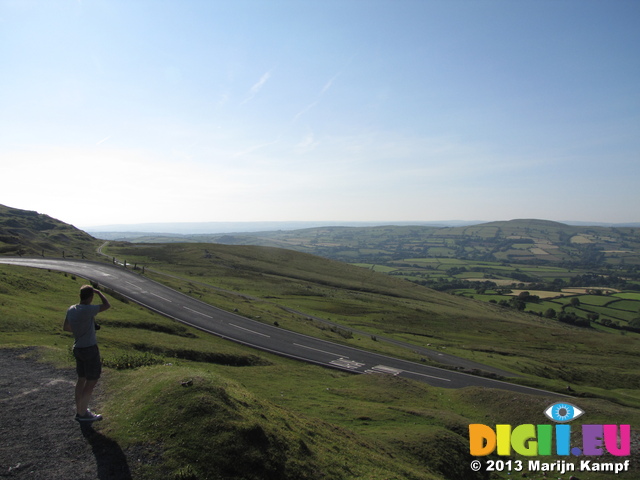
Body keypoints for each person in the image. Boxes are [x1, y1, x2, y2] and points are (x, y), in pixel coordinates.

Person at [63, 284, 111, 422]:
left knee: (81, 379)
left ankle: (80, 409)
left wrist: (79, 329)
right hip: (89, 347)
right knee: (91, 381)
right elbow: (107, 305)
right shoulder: (88, 309)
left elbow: (66, 327)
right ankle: (83, 413)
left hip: (77, 347)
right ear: (90, 297)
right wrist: (99, 292)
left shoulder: (71, 309)